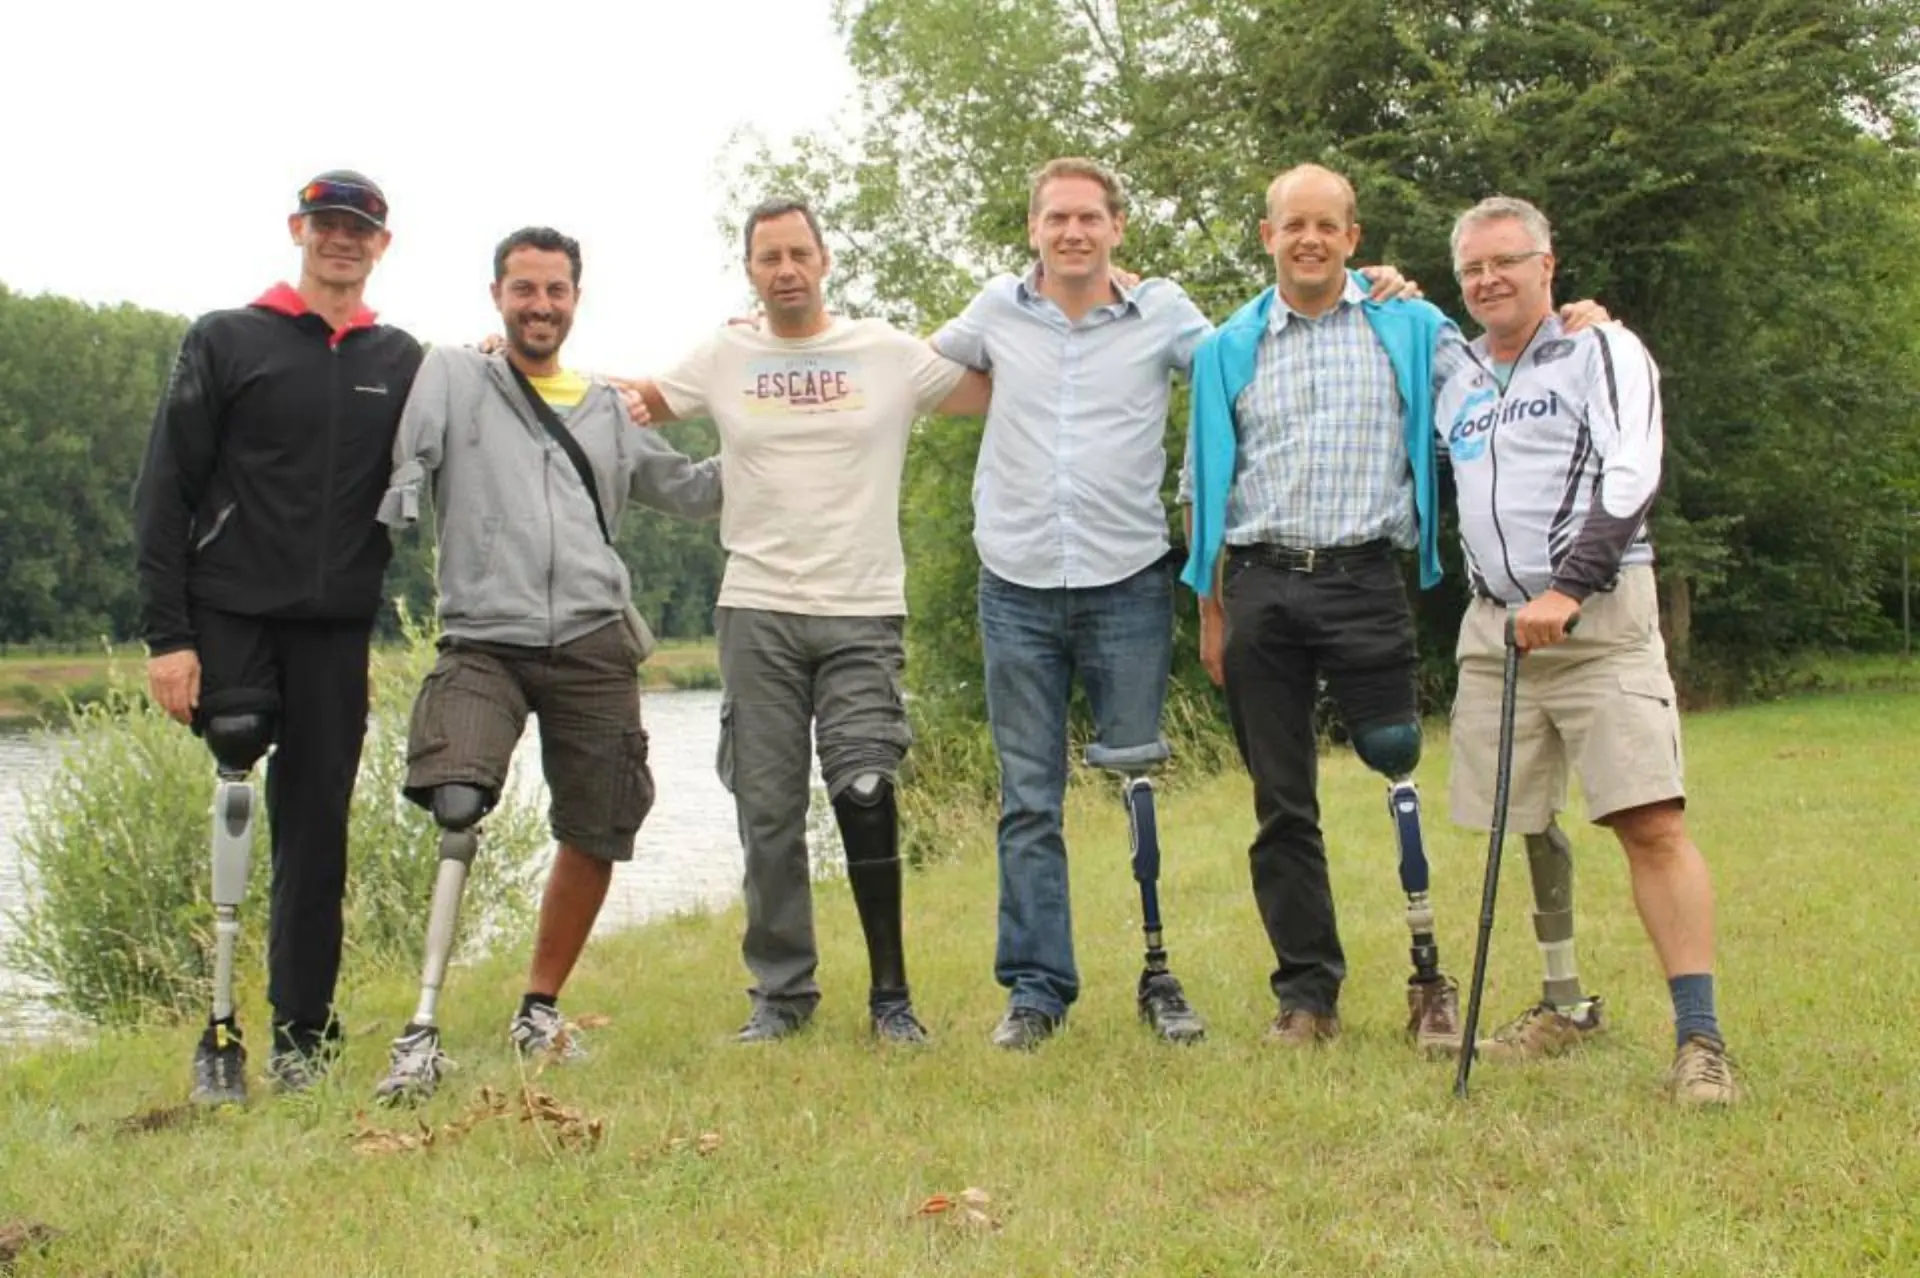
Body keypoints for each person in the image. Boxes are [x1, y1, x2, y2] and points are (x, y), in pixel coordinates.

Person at [930, 158, 1421, 1051]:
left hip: (1126, 580)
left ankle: (1161, 978)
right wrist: (784, 338)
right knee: (1028, 800)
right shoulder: (994, 311)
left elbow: (1261, 351)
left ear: (1119, 226)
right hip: (1016, 583)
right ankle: (1037, 992)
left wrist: (1378, 291)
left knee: (1141, 784)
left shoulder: (1169, 314)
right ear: (1033, 228)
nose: (1073, 232)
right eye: (1056, 219)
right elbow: (908, 374)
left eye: (1090, 217)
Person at [623, 198, 990, 1044]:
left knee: (866, 789)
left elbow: (1000, 388)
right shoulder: (724, 355)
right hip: (756, 609)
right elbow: (635, 401)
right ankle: (782, 995)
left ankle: (891, 998)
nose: (785, 269)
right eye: (768, 258)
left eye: (798, 253)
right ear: (750, 271)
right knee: (768, 807)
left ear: (824, 260)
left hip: (862, 609)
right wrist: (520, 364)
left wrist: (1087, 304)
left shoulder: (887, 354)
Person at [370, 227, 723, 1101]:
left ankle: (538, 1008)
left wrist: (775, 428)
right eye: (524, 289)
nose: (540, 305)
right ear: (497, 294)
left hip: (596, 637)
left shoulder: (607, 408)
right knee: (457, 800)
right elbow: (404, 463)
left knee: (599, 823)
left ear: (576, 298)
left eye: (555, 290)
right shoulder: (456, 374)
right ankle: (421, 1028)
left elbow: (689, 491)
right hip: (485, 635)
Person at [1437, 195, 1736, 1105]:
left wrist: (1569, 589)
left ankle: (1700, 1041)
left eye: (1507, 262)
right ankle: (1564, 1003)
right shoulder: (1455, 374)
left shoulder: (1601, 348)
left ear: (1547, 264)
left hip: (1596, 619)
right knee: (1517, 815)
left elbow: (1632, 471)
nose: (1490, 280)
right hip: (1497, 630)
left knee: (1648, 819)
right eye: (1473, 270)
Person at [133, 171, 423, 1102]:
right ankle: (218, 1028)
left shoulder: (400, 356)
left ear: (381, 244)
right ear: (299, 230)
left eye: (360, 229)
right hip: (231, 613)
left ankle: (305, 1034)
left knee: (318, 835)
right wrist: (167, 637)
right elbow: (164, 491)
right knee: (235, 780)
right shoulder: (229, 338)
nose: (342, 240)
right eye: (327, 225)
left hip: (336, 631)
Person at [1180, 164, 1468, 1052]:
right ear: (1266, 236)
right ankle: (1308, 996)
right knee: (1282, 800)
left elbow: (1497, 382)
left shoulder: (1410, 327)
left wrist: (1585, 327)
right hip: (1262, 587)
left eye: (1326, 226)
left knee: (1398, 769)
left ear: (1352, 236)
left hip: (1363, 580)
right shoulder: (1227, 348)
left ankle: (1429, 982)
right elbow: (1202, 484)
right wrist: (1212, 610)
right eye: (1291, 225)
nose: (1308, 239)